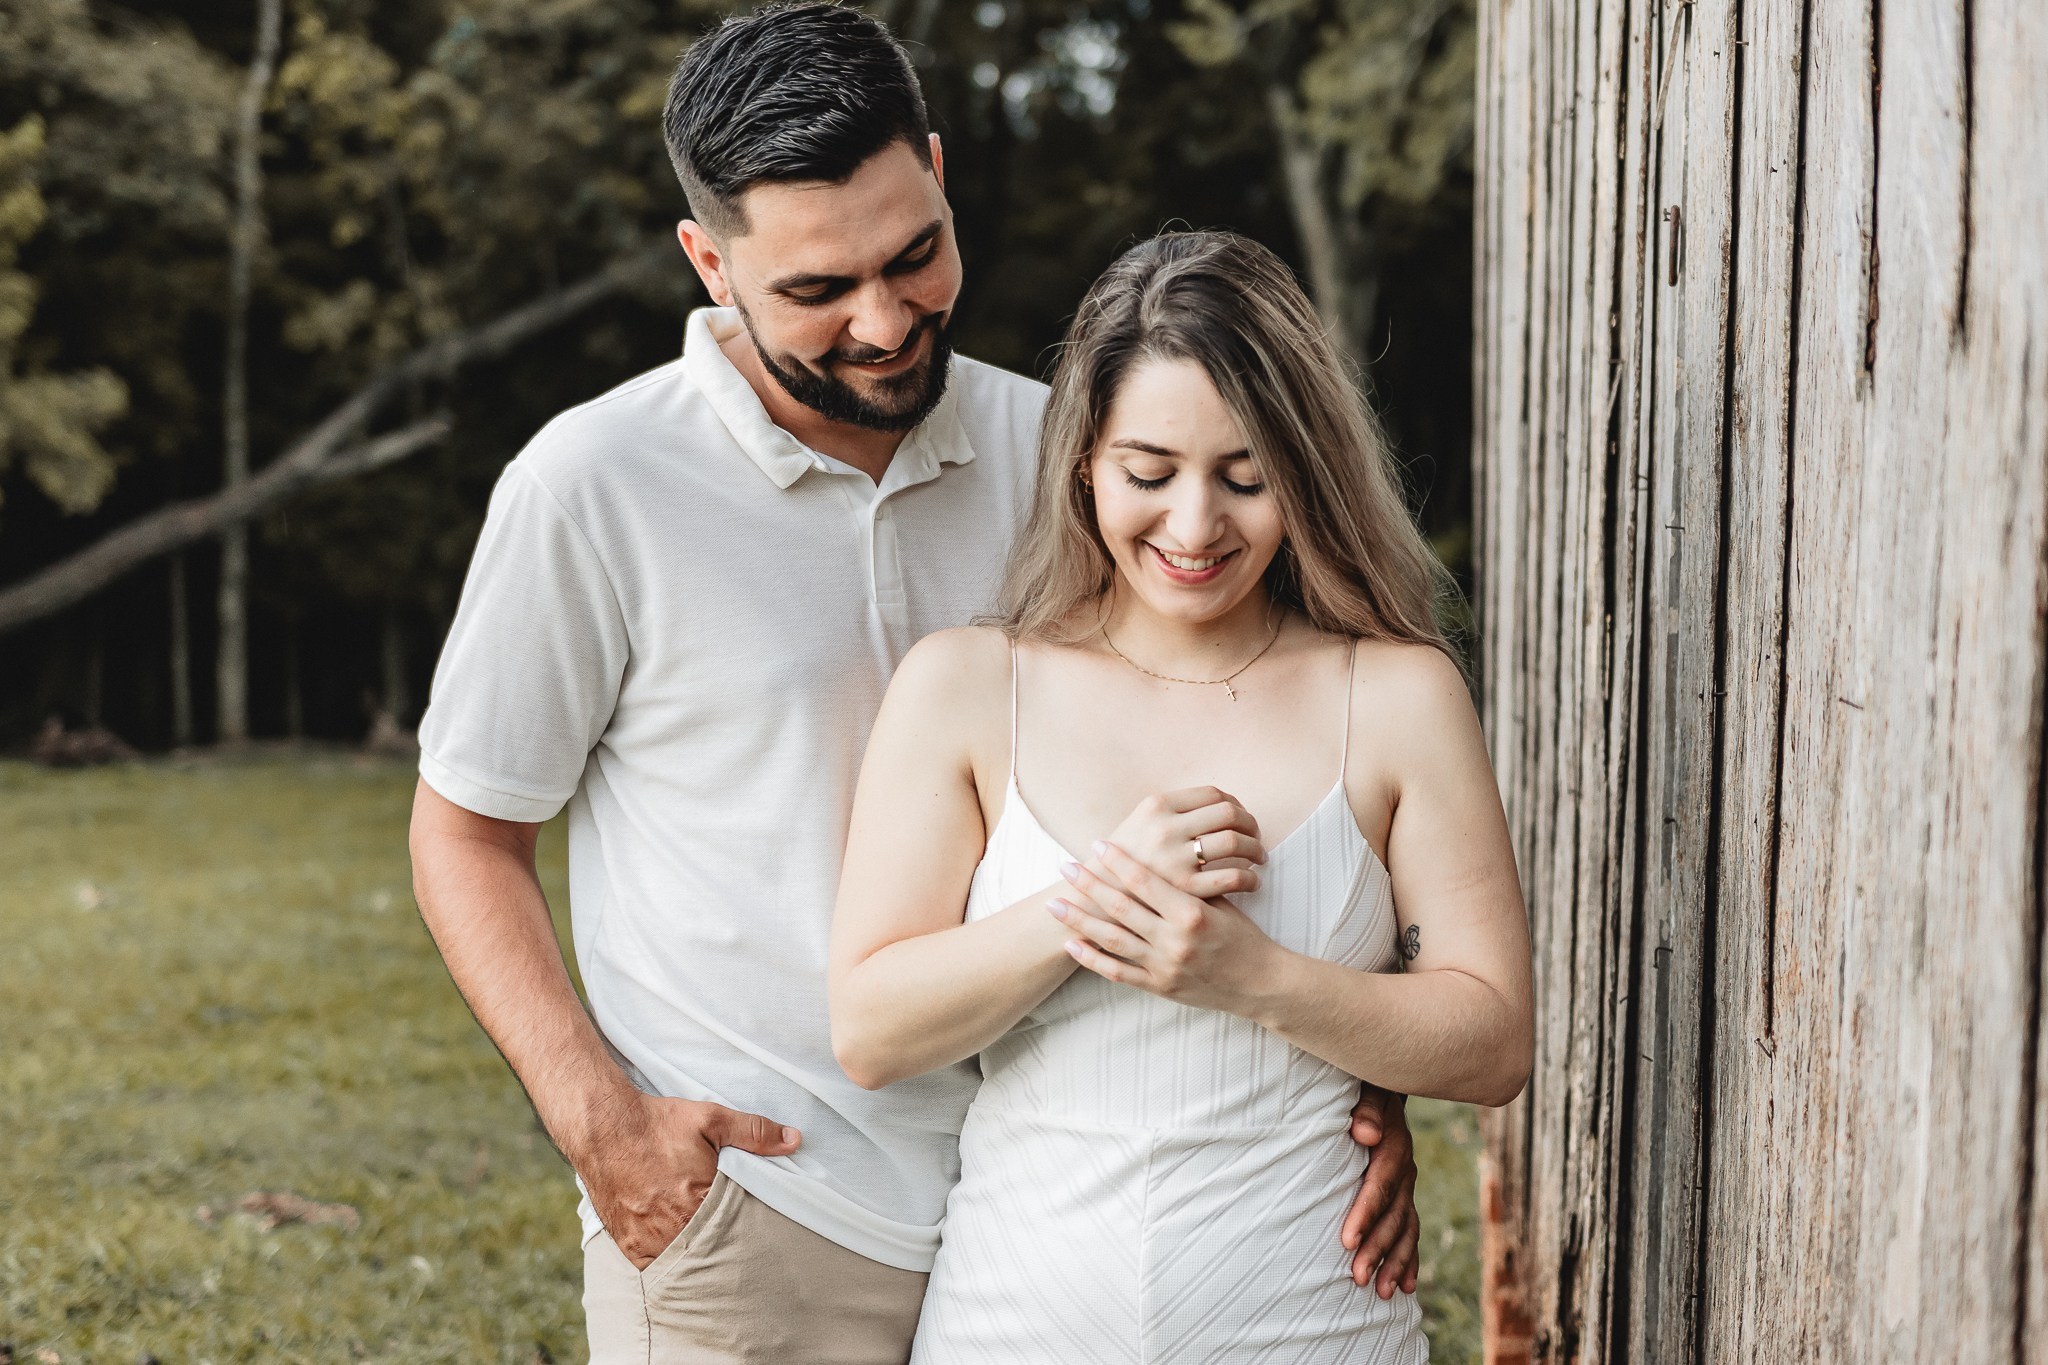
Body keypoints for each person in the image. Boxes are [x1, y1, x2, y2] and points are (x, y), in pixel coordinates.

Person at [405, 6, 1421, 1362]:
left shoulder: (1072, 454)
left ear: (938, 172)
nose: (885, 323)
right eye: (818, 291)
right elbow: (466, 833)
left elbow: (1272, 740)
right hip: (759, 1203)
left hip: (1039, 1203)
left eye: (915, 255)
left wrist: (1352, 1086)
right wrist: (603, 1123)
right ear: (711, 263)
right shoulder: (591, 490)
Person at [831, 230, 1534, 1361]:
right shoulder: (968, 687)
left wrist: (1252, 978)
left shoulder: (1396, 696)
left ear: (1303, 469)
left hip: (1310, 1322)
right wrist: (1095, 898)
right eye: (1148, 475)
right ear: (1082, 467)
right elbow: (869, 1028)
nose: (1196, 527)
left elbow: (1492, 1040)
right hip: (1014, 1317)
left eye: (1245, 476)